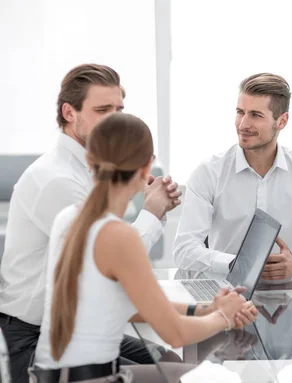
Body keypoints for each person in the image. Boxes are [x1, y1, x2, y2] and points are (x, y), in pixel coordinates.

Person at [30, 112, 258, 383]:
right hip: (89, 378)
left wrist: (203, 311)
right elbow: (176, 334)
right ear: (146, 168)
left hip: (51, 375)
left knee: (178, 369)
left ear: (89, 160)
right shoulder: (118, 236)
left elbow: (123, 302)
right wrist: (225, 315)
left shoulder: (68, 218)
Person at [0, 64, 181, 383]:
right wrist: (151, 212)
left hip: (74, 325)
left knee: (165, 358)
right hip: (34, 339)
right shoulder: (58, 180)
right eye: (102, 110)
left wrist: (139, 186)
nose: (114, 119)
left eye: (119, 109)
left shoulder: (92, 170)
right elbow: (111, 264)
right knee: (164, 374)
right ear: (69, 112)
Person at [173, 73, 292, 280]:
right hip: (224, 298)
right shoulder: (209, 172)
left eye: (255, 115)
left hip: (288, 296)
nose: (243, 124)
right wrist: (239, 265)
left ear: (282, 121)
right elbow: (184, 250)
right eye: (240, 112)